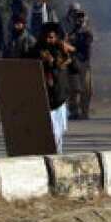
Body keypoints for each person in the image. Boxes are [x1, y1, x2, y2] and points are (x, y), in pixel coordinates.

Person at [30, 22, 79, 153]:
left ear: (56, 37)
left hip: (60, 98)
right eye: (46, 37)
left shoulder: (61, 51)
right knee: (49, 134)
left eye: (51, 37)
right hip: (45, 99)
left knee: (59, 134)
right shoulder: (36, 51)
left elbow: (75, 69)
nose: (48, 40)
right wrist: (48, 61)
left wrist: (69, 55)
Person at [64, 3, 94, 120]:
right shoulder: (70, 33)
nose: (79, 20)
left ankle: (85, 111)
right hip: (73, 64)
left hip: (84, 64)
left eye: (81, 17)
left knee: (86, 90)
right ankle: (74, 111)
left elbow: (85, 47)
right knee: (73, 89)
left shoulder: (87, 33)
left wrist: (72, 46)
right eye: (77, 17)